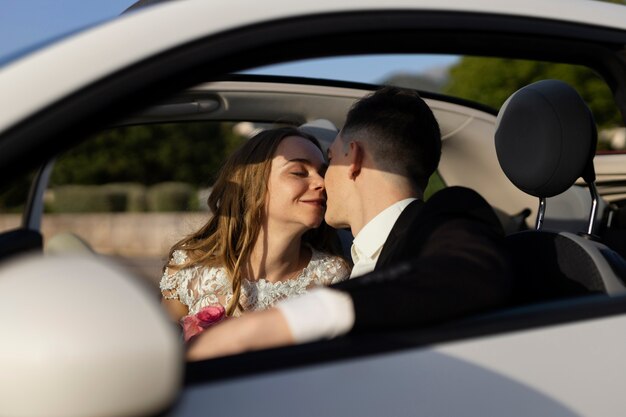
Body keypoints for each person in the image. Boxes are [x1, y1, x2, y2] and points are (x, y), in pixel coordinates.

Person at [186, 87, 513, 360]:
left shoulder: (448, 212)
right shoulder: (351, 256)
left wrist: (258, 329)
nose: (322, 180)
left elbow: (466, 270)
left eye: (329, 160)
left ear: (353, 159)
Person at [159, 127, 351, 332]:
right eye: (298, 172)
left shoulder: (332, 277)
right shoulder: (190, 267)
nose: (321, 182)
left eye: (323, 173)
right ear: (253, 184)